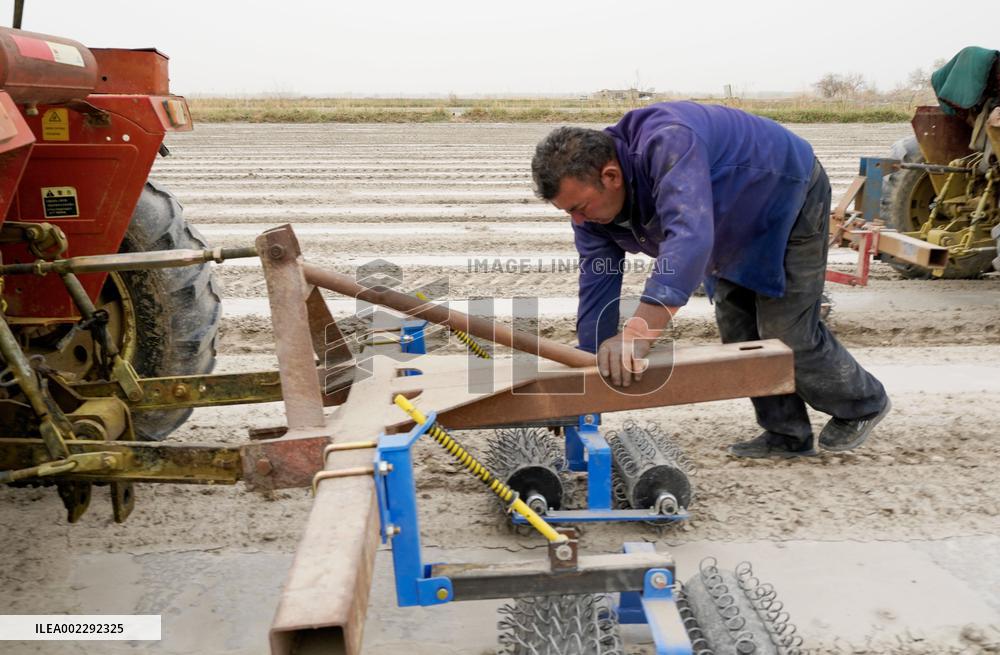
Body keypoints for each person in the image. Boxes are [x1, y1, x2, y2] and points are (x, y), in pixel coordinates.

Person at [530, 102, 890, 457]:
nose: (577, 221)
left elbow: (689, 238)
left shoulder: (667, 141)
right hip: (726, 218)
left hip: (786, 192)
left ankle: (863, 403)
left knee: (787, 331)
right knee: (738, 329)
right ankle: (786, 433)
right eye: (568, 212)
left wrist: (638, 334)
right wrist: (583, 373)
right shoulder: (591, 217)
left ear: (610, 176)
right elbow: (597, 281)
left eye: (578, 208)